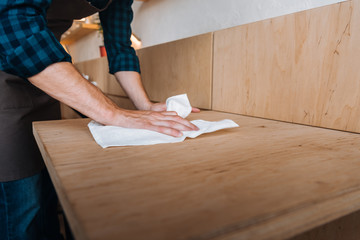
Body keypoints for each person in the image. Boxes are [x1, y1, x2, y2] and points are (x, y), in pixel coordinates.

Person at [0, 0, 199, 239]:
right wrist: (113, 113)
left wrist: (144, 105)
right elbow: (14, 25)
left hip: (49, 78)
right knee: (24, 200)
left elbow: (120, 47)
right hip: (6, 73)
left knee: (46, 189)